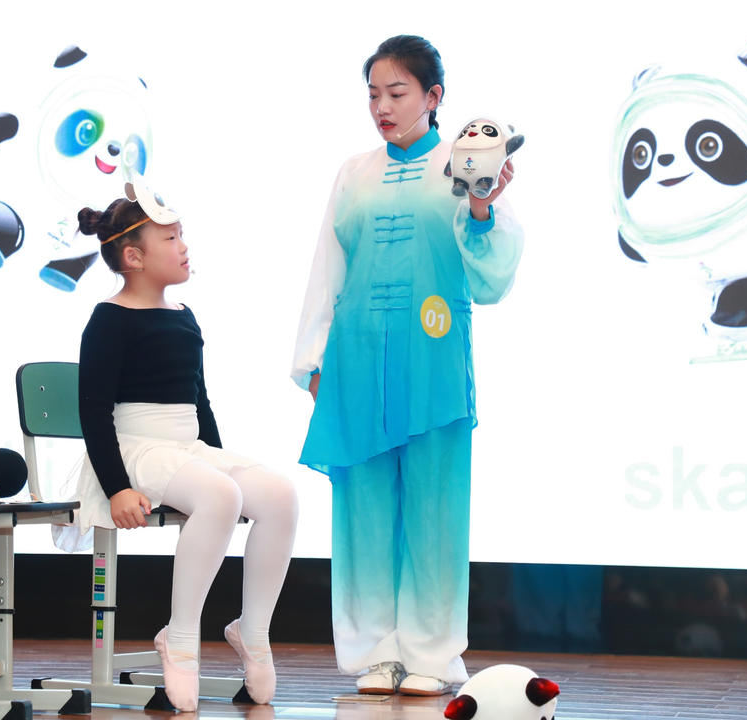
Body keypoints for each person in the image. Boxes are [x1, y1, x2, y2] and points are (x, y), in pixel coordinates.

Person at [291, 35, 523, 696]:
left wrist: (481, 205)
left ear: (433, 96)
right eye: (373, 95)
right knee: (362, 510)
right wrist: (313, 360)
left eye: (397, 93)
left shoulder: (465, 164)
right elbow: (327, 268)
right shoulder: (353, 173)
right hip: (356, 360)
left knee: (435, 509)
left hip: (432, 362)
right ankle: (375, 653)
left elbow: (493, 276)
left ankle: (433, 655)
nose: (382, 108)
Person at [72, 180, 298, 712]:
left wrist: (219, 462)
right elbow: (93, 412)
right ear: (134, 257)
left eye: (181, 235)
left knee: (280, 496)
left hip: (186, 448)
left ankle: (253, 631)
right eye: (171, 238)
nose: (184, 246)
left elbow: (200, 401)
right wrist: (117, 487)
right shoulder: (109, 320)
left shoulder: (184, 316)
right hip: (134, 449)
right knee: (220, 496)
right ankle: (180, 636)